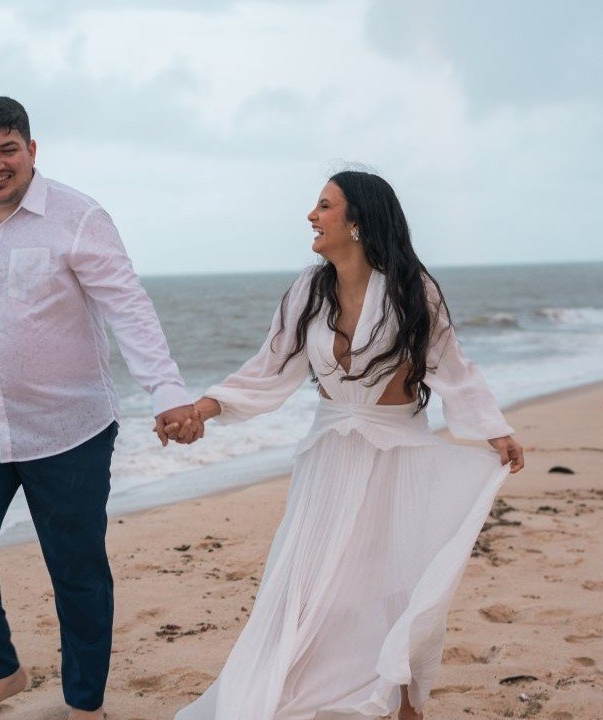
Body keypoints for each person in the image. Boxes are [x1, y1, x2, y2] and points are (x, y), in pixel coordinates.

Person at [170, 170, 525, 720]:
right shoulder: (308, 291)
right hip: (329, 454)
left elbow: (452, 366)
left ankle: (406, 704)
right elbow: (268, 368)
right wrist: (203, 408)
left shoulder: (413, 290)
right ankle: (295, 687)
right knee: (311, 582)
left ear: (357, 221)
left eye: (324, 206)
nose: (311, 216)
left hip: (398, 453)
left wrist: (493, 429)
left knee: (398, 583)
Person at [0, 96, 203, 720]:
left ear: (31, 149)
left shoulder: (79, 216)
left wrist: (166, 391)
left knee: (76, 568)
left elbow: (127, 305)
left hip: (69, 426)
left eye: (7, 150)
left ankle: (85, 703)